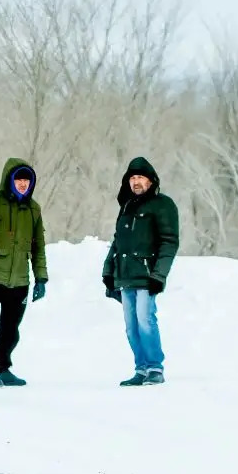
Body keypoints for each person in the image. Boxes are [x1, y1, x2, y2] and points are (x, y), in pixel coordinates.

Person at [0, 158, 48, 388]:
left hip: (20, 280)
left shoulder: (34, 209)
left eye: (27, 180)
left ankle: (3, 368)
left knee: (11, 329)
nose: (23, 184)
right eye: (19, 179)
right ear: (9, 180)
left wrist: (41, 277)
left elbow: (38, 247)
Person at [102, 157, 180, 386]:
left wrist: (159, 275)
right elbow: (118, 242)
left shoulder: (163, 205)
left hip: (147, 275)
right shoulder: (126, 206)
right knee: (131, 326)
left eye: (140, 178)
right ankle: (141, 368)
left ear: (151, 181)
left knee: (146, 320)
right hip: (125, 275)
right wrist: (108, 271)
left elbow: (169, 242)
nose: (136, 182)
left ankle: (155, 367)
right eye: (132, 178)